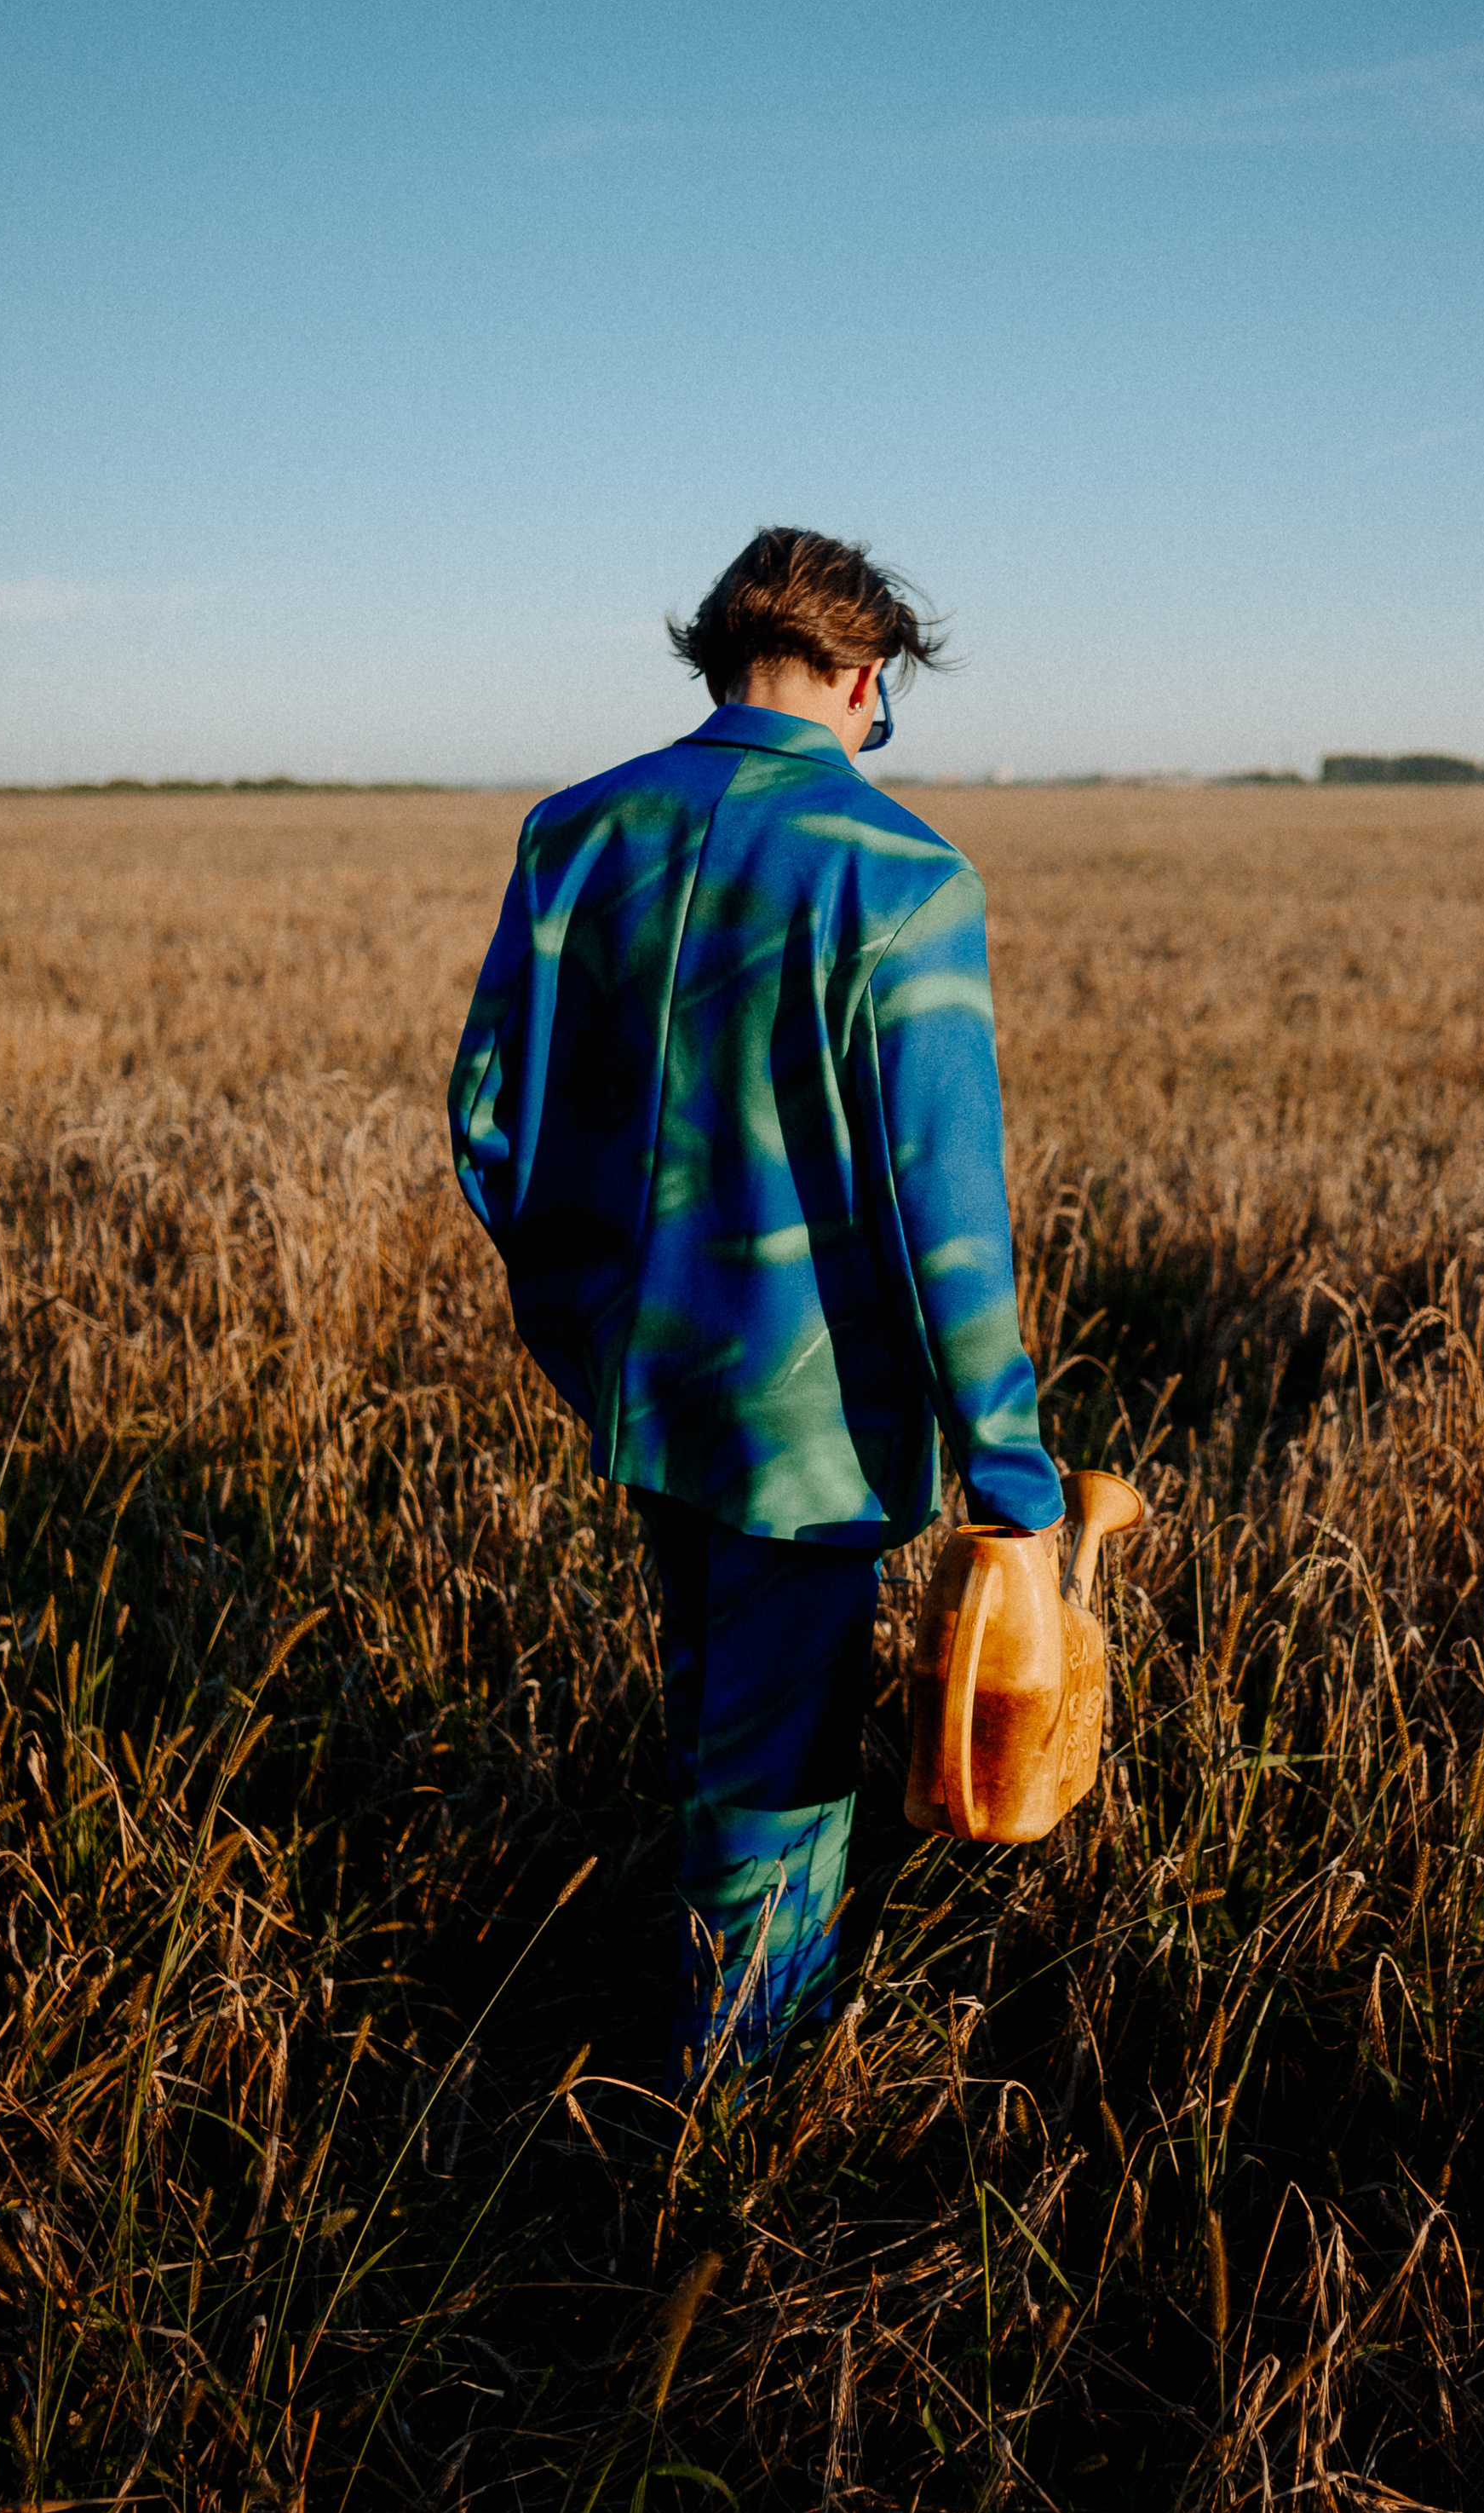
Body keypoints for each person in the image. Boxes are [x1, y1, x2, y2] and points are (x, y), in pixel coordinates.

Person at [449, 527, 1063, 2088]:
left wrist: (593, 1325)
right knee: (780, 1777)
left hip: (650, 1390)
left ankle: (700, 2043)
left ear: (720, 660)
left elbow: (489, 1125)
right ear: (867, 679)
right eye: (884, 706)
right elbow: (954, 1223)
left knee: (713, 1719)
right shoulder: (902, 875)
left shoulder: (574, 832)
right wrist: (1011, 1476)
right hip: (818, 1418)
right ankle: (731, 2127)